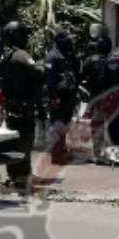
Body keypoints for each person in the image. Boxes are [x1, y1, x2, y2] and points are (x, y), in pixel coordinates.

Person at [0, 20, 44, 190]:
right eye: (23, 34)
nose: (25, 38)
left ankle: (13, 174)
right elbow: (39, 72)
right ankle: (23, 176)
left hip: (10, 105)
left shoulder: (3, 55)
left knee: (13, 141)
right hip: (23, 106)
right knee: (25, 139)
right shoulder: (21, 55)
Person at [44, 29, 79, 164]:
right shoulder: (52, 56)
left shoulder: (66, 55)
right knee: (57, 125)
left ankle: (61, 150)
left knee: (64, 125)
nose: (71, 43)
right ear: (61, 42)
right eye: (68, 41)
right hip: (58, 98)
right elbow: (50, 80)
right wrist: (54, 97)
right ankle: (56, 154)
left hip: (67, 97)